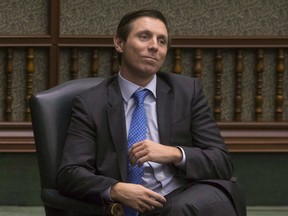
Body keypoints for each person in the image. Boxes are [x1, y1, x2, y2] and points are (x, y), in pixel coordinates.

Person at [57, 9, 246, 216]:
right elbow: (70, 173)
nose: (154, 46)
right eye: (144, 36)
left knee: (192, 205)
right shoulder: (91, 102)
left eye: (162, 41)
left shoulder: (186, 92)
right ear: (119, 43)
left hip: (183, 196)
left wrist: (174, 153)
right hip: (127, 206)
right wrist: (116, 189)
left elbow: (221, 162)